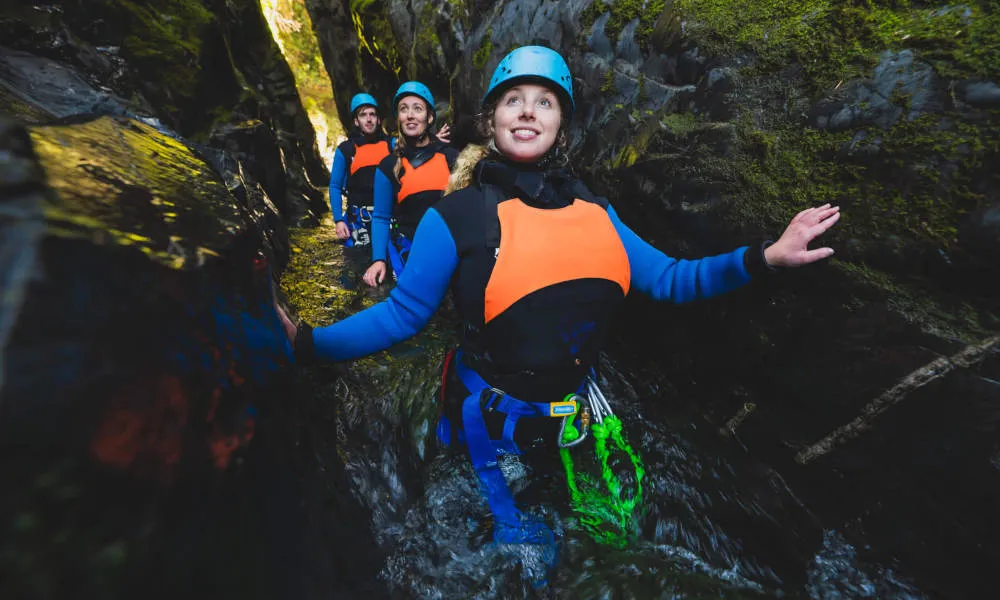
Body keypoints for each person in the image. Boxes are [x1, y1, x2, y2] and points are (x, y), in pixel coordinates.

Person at [280, 46, 840, 547]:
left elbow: (671, 278)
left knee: (610, 549)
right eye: (514, 100)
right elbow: (401, 318)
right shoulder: (455, 218)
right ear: (491, 121)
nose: (528, 110)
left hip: (577, 421)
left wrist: (766, 256)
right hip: (489, 432)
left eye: (545, 102)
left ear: (561, 126)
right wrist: (308, 343)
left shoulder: (599, 215)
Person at [362, 82, 458, 287]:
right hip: (409, 252)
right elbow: (380, 217)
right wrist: (378, 259)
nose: (410, 115)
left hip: (449, 250)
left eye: (417, 108)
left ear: (429, 117)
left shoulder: (451, 158)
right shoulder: (388, 166)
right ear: (398, 118)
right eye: (403, 109)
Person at [329, 93, 391, 247]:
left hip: (389, 216)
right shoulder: (345, 150)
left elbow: (416, 149)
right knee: (357, 263)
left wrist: (433, 140)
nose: (369, 119)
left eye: (372, 115)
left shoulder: (392, 145)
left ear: (378, 120)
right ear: (356, 121)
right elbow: (335, 186)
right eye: (363, 115)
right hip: (358, 220)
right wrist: (338, 220)